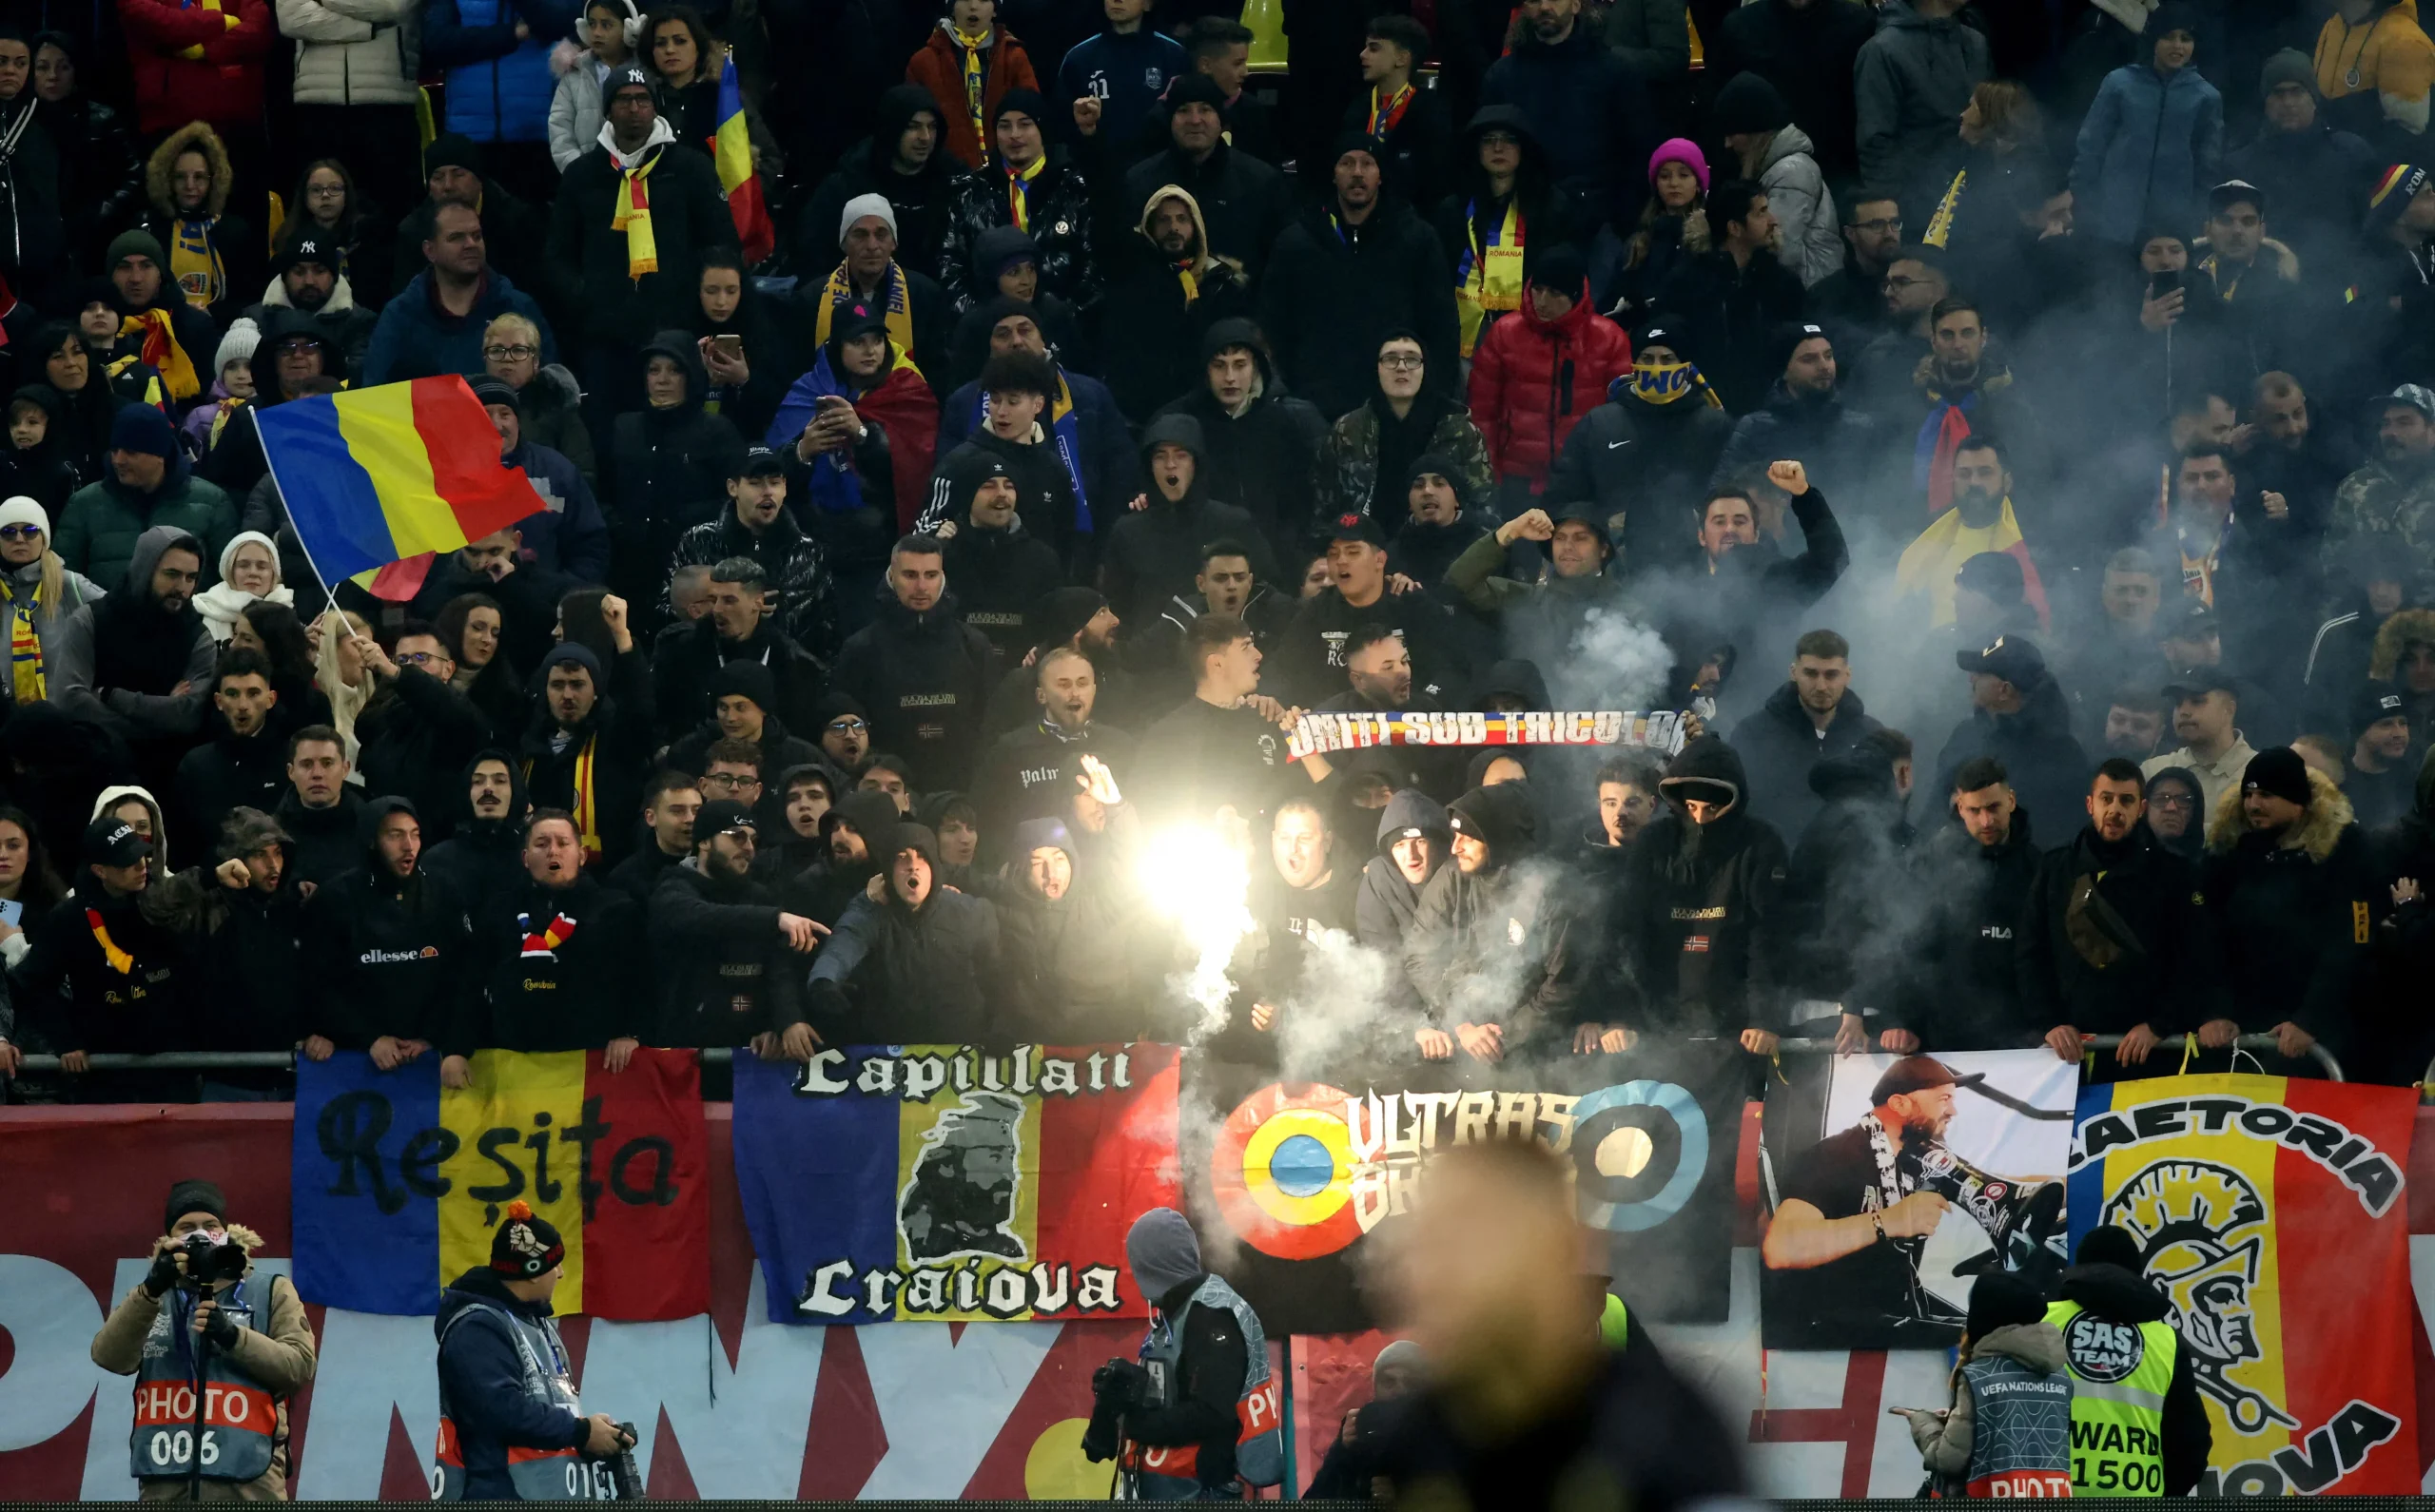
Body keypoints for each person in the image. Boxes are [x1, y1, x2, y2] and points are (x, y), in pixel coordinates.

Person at [1366, 1134, 1747, 1506]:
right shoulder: (1419, 1438)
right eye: (1429, 1240)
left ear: (1558, 1247)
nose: (1431, 1273)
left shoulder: (1662, 1429)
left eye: (1470, 1235)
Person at [91, 1180, 318, 1500]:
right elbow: (108, 1357)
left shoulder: (271, 1291)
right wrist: (152, 1288)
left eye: (210, 1225)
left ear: (226, 1231)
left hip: (250, 1487)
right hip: (167, 1488)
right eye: (186, 1226)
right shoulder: (152, 1297)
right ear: (170, 1238)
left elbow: (299, 1367)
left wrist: (232, 1336)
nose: (199, 1233)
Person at [2020, 759, 2225, 1079]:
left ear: (2141, 807)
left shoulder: (2175, 873)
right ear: (2090, 804)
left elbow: (2195, 957)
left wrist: (2160, 1025)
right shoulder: (2055, 869)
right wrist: (2049, 1023)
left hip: (2152, 1054)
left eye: (2126, 800)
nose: (2115, 809)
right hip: (2069, 1056)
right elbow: (2031, 953)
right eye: (2106, 798)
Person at [550, 64, 733, 399]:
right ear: (607, 110)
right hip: (603, 334)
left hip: (678, 330)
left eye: (642, 99)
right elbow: (559, 253)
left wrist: (698, 306)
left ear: (655, 106)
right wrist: (584, 298)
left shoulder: (691, 168)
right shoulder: (582, 175)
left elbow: (719, 244)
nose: (634, 109)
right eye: (623, 100)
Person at [433, 1200, 634, 1499]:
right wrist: (581, 1432)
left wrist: (597, 1434)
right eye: (556, 1264)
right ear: (533, 1271)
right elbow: (500, 1409)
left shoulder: (534, 1323)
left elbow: (547, 1413)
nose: (562, 1274)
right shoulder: (477, 1328)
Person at [2201, 746, 2375, 1070]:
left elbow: (2351, 941)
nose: (2254, 804)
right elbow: (2207, 938)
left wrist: (2311, 1019)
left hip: (2321, 1032)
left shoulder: (2344, 850)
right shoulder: (2230, 852)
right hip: (2243, 1027)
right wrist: (2216, 1011)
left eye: (2266, 795)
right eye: (2249, 794)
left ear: (2298, 801)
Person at [1259, 140, 1459, 422]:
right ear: (1333, 174)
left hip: (1395, 406)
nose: (1357, 172)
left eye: (1367, 163)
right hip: (1311, 407)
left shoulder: (1417, 239)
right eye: (1347, 163)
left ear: (1380, 175)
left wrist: (1434, 396)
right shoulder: (1296, 242)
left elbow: (1441, 326)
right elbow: (1272, 325)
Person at [1089, 1206, 1282, 1499]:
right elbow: (1183, 1391)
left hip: (1201, 1490)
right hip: (1174, 1490)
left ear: (1151, 1261)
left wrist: (1136, 1424)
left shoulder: (1209, 1314)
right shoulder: (1179, 1309)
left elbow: (1212, 1412)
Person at [652, 797, 821, 1070]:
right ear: (705, 842)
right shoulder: (673, 888)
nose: (749, 849)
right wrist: (774, 918)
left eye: (753, 840)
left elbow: (778, 968)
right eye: (738, 837)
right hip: (682, 1058)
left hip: (753, 1056)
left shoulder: (760, 896)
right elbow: (698, 916)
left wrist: (782, 1022)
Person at [2042, 1226, 2212, 1495]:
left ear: (2081, 1266)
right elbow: (2191, 1441)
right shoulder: (2165, 1340)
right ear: (2136, 1273)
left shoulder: (2040, 1320)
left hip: (2049, 1492)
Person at [10, 813, 186, 1065]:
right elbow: (35, 983)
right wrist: (67, 1041)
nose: (141, 867)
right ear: (100, 870)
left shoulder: (165, 902)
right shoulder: (69, 917)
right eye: (127, 862)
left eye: (142, 855)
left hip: (175, 1059)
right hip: (102, 1066)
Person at [805, 820, 1004, 1041]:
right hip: (892, 1055)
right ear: (888, 870)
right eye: (901, 857)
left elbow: (996, 975)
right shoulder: (871, 908)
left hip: (960, 1050)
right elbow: (844, 943)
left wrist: (1001, 1024)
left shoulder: (969, 912)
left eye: (923, 857)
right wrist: (824, 980)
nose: (913, 865)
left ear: (935, 868)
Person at [1474, 0, 1655, 236]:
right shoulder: (1501, 76)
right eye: (1534, 1)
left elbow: (1637, 152)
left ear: (1576, 5)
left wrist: (1627, 224)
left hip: (1597, 222)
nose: (1545, 7)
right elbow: (1482, 150)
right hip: (1517, 222)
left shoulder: (1616, 73)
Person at [1468, 248, 1632, 506]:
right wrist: (1490, 473)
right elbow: (1483, 411)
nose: (1541, 301)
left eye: (1555, 293)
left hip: (1584, 477)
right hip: (1517, 476)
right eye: (1538, 289)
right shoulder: (1504, 333)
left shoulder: (1609, 340)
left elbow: (1622, 417)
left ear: (1576, 296)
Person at [1137, 611, 1332, 827]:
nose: (1258, 655)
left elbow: (1302, 796)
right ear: (1217, 664)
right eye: (1246, 647)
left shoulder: (1267, 718)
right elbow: (1148, 814)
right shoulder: (1167, 737)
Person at [50, 525, 215, 769]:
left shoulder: (198, 637)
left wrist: (111, 696)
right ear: (144, 570)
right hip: (94, 763)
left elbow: (187, 715)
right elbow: (71, 701)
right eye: (172, 574)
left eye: (191, 578)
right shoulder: (90, 621)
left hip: (169, 768)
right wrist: (158, 716)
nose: (183, 588)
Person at [1899, 1272, 2074, 1498]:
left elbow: (1948, 1460)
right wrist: (1959, 1418)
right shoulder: (2060, 1376)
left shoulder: (1979, 1376)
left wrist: (1923, 1423)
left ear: (1983, 1318)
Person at [1092, 184, 1256, 426]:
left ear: (1197, 227)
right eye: (1163, 220)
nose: (1173, 228)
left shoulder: (1222, 283)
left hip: (1207, 415)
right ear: (1148, 228)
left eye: (1182, 219)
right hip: (1138, 414)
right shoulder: (1131, 278)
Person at [1110, 73, 1287, 285]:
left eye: (1205, 109)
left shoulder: (1262, 182)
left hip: (1240, 311)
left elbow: (1279, 265)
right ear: (1170, 120)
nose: (1195, 120)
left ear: (1221, 119)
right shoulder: (1140, 182)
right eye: (1183, 110)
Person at [361, 200, 557, 388]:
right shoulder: (401, 315)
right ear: (430, 251)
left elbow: (552, 386)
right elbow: (374, 393)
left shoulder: (518, 307)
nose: (471, 244)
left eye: (477, 236)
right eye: (457, 238)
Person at [2225, 52, 2382, 279]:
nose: (2288, 103)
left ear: (2314, 99)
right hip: (2262, 290)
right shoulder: (2239, 166)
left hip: (2342, 287)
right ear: (2265, 102)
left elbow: (2375, 228)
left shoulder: (2352, 153)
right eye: (2278, 94)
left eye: (2297, 92)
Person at [1656, 181, 1806, 415]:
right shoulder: (1684, 284)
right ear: (1734, 228)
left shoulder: (1784, 283)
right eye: (1762, 212)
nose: (1774, 221)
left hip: (1773, 414)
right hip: (1702, 415)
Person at [936, 90, 1095, 308]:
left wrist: (1059, 321)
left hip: (1063, 325)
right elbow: (950, 265)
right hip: (987, 328)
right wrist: (986, 322)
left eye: (1025, 124)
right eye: (1004, 126)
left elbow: (1092, 265)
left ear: (1042, 129)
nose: (1014, 134)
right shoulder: (967, 190)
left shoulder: (1076, 187)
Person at [1710, 321, 1882, 513]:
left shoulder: (1861, 428)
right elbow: (1720, 496)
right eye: (1809, 359)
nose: (1824, 366)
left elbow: (1884, 496)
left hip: (1859, 539)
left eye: (1828, 356)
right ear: (1784, 370)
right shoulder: (1754, 429)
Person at [1933, 633, 2089, 841]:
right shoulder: (1965, 734)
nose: (1971, 678)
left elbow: (2056, 833)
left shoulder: (2060, 754)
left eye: (1981, 673)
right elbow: (1934, 805)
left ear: (2004, 690)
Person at [1731, 630, 1887, 835]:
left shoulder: (1872, 737)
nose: (1821, 686)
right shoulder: (1753, 733)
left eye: (1831, 674)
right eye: (1811, 673)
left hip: (1851, 863)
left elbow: (1889, 809)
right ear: (1793, 672)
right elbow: (1737, 809)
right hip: (1775, 860)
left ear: (1847, 675)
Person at [1709, 0, 1875, 183]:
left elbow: (1872, 116)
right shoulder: (1739, 29)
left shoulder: (1858, 25)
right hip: (1760, 184)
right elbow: (1720, 119)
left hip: (1842, 179)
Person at [803, 86, 956, 280]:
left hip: (938, 301)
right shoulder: (845, 187)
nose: (925, 137)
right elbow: (815, 259)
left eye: (932, 127)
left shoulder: (955, 183)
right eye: (912, 127)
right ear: (891, 129)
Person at [1854, 0, 1989, 220]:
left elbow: (1990, 122)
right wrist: (1898, 217)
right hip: (1916, 211)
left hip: (1977, 202)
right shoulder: (1882, 51)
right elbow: (1877, 144)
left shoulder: (1976, 43)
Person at [804, 197, 955, 386]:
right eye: (860, 235)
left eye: (881, 235)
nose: (872, 246)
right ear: (844, 243)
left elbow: (937, 370)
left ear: (894, 243)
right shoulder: (812, 298)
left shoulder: (924, 294)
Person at [1714, 73, 1841, 288]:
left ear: (1755, 128)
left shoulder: (1791, 172)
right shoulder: (1777, 168)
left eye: (1732, 132)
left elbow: (1778, 248)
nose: (1727, 143)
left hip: (1811, 293)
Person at [909, 0, 1040, 172]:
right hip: (944, 173)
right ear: (951, 8)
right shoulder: (924, 61)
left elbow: (1035, 119)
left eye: (983, 0)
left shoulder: (1014, 57)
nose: (973, 6)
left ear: (995, 10)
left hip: (1008, 173)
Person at [0, 495, 104, 707]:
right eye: (8, 532)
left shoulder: (70, 584)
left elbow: (123, 615)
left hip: (66, 717)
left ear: (44, 538)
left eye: (30, 531)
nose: (19, 539)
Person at [1347, 14, 1448, 208]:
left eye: (1374, 48)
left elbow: (1434, 184)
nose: (1363, 54)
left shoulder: (1431, 113)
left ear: (1402, 58)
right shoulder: (1357, 109)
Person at [2312, 0, 2435, 149]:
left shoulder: (2404, 41)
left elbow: (2408, 141)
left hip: (2371, 167)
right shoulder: (2332, 26)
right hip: (2328, 161)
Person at [2140, 670, 2259, 816]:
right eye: (2178, 703)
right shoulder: (2152, 773)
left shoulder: (2260, 775)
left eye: (2197, 701)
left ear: (2229, 709)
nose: (2183, 711)